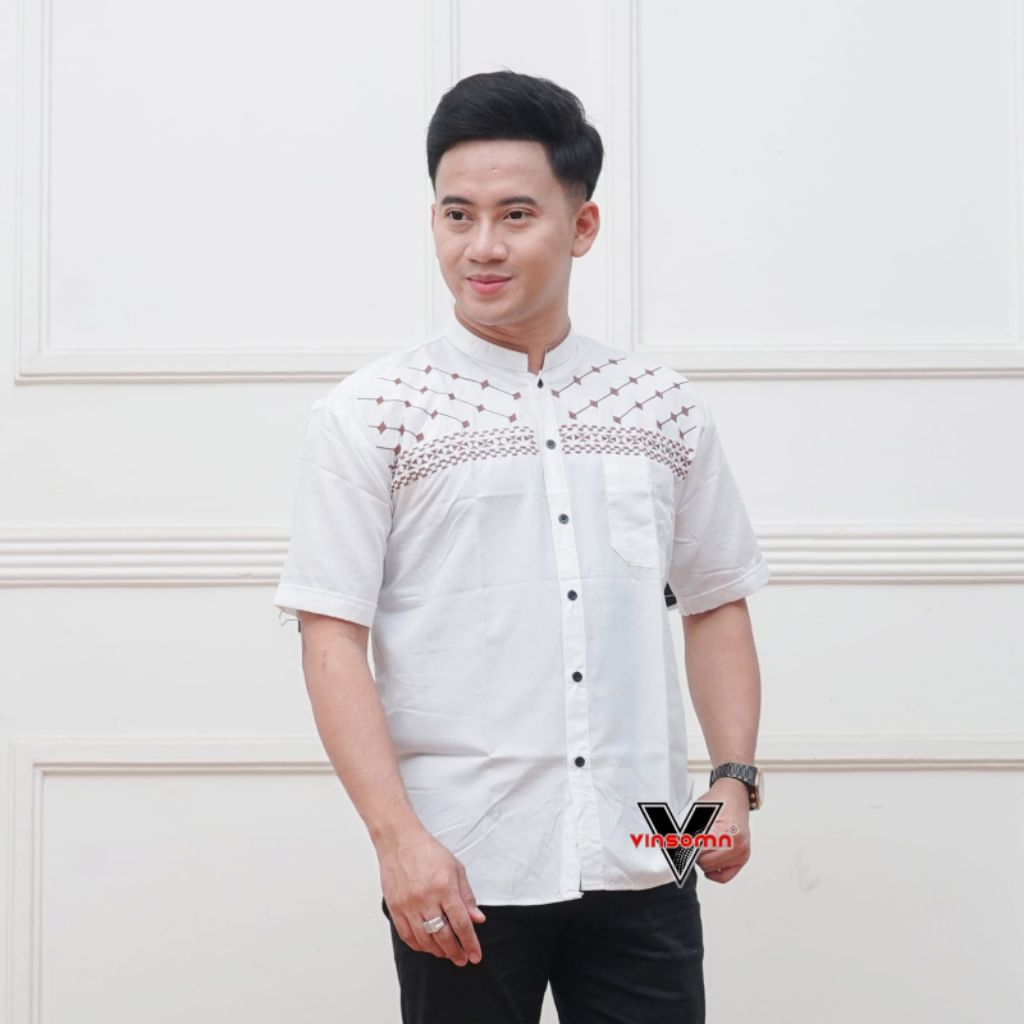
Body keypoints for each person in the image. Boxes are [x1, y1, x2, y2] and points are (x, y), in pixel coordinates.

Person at [273, 69, 770, 1024]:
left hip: (650, 847)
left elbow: (715, 601)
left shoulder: (662, 406)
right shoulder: (370, 414)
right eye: (457, 215)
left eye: (515, 215)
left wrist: (733, 779)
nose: (483, 247)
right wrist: (397, 842)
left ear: (582, 226)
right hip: (459, 860)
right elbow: (331, 636)